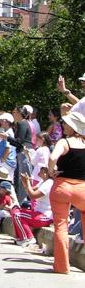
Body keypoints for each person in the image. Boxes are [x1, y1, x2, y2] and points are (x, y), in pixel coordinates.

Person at [48, 108, 85, 274]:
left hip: (62, 187)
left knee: (61, 227)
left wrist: (51, 170)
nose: (63, 125)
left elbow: (52, 158)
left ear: (73, 127)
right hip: (82, 189)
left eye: (66, 123)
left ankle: (62, 267)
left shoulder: (64, 142)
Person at [13, 167, 53, 249]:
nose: (38, 172)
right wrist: (24, 182)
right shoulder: (43, 182)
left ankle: (29, 238)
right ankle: (21, 237)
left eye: (41, 170)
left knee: (17, 214)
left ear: (46, 173)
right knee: (15, 210)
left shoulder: (49, 183)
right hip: (38, 213)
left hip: (45, 216)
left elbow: (33, 195)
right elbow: (30, 191)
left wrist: (27, 182)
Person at [0, 112, 17, 179]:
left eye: (2, 120)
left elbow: (8, 149)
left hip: (6, 162)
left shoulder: (8, 133)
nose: (0, 122)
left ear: (7, 122)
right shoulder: (7, 132)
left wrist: (2, 161)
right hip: (7, 162)